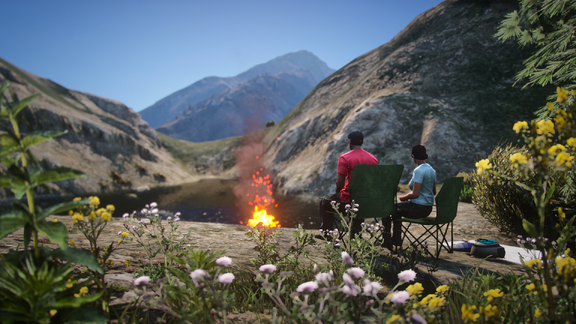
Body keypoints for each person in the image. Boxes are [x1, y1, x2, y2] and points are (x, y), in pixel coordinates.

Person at [317, 130, 378, 240]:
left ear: (350, 142)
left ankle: (327, 233)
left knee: (325, 201)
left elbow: (340, 183)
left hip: (349, 202)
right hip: (366, 202)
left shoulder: (345, 158)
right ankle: (356, 234)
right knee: (358, 199)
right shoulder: (373, 159)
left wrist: (338, 192)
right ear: (362, 142)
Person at [383, 144, 436, 249]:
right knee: (396, 212)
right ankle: (396, 240)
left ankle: (388, 242)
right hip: (427, 208)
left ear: (413, 156)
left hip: (417, 208)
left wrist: (403, 197)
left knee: (387, 210)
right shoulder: (431, 170)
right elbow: (433, 192)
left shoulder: (419, 170)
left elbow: (415, 194)